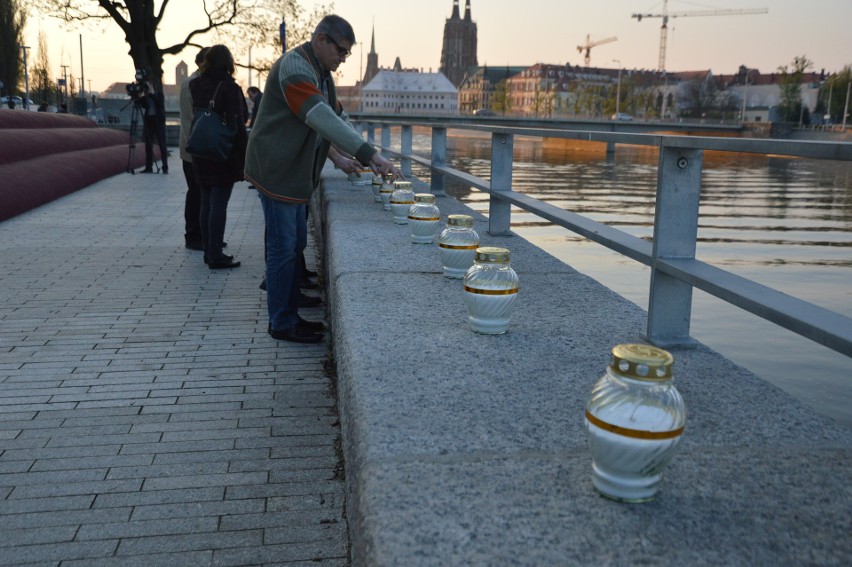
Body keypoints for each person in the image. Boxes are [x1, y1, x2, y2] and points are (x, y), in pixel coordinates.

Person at [245, 14, 400, 344]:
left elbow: (338, 118)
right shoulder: (296, 69)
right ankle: (282, 321)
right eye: (341, 51)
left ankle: (291, 304)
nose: (342, 59)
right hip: (277, 170)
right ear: (321, 40)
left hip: (294, 173)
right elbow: (319, 117)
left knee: (295, 243)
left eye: (346, 54)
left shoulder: (322, 75)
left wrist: (352, 154)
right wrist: (369, 155)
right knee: (283, 248)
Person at [189, 44, 249, 269]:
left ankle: (208, 251)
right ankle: (215, 255)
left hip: (200, 149)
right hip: (223, 151)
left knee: (205, 202)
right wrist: (244, 158)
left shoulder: (195, 85)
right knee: (219, 204)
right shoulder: (230, 88)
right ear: (228, 63)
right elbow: (238, 123)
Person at [179, 47, 209, 251]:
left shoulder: (192, 81)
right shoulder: (194, 83)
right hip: (194, 147)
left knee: (198, 193)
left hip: (190, 145)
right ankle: (194, 235)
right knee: (196, 194)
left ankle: (203, 235)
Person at [139, 83, 169, 173]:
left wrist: (152, 94)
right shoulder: (146, 96)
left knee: (162, 145)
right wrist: (141, 96)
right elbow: (143, 105)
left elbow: (159, 103)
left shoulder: (159, 94)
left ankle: (165, 167)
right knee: (148, 146)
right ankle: (149, 167)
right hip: (149, 122)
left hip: (158, 123)